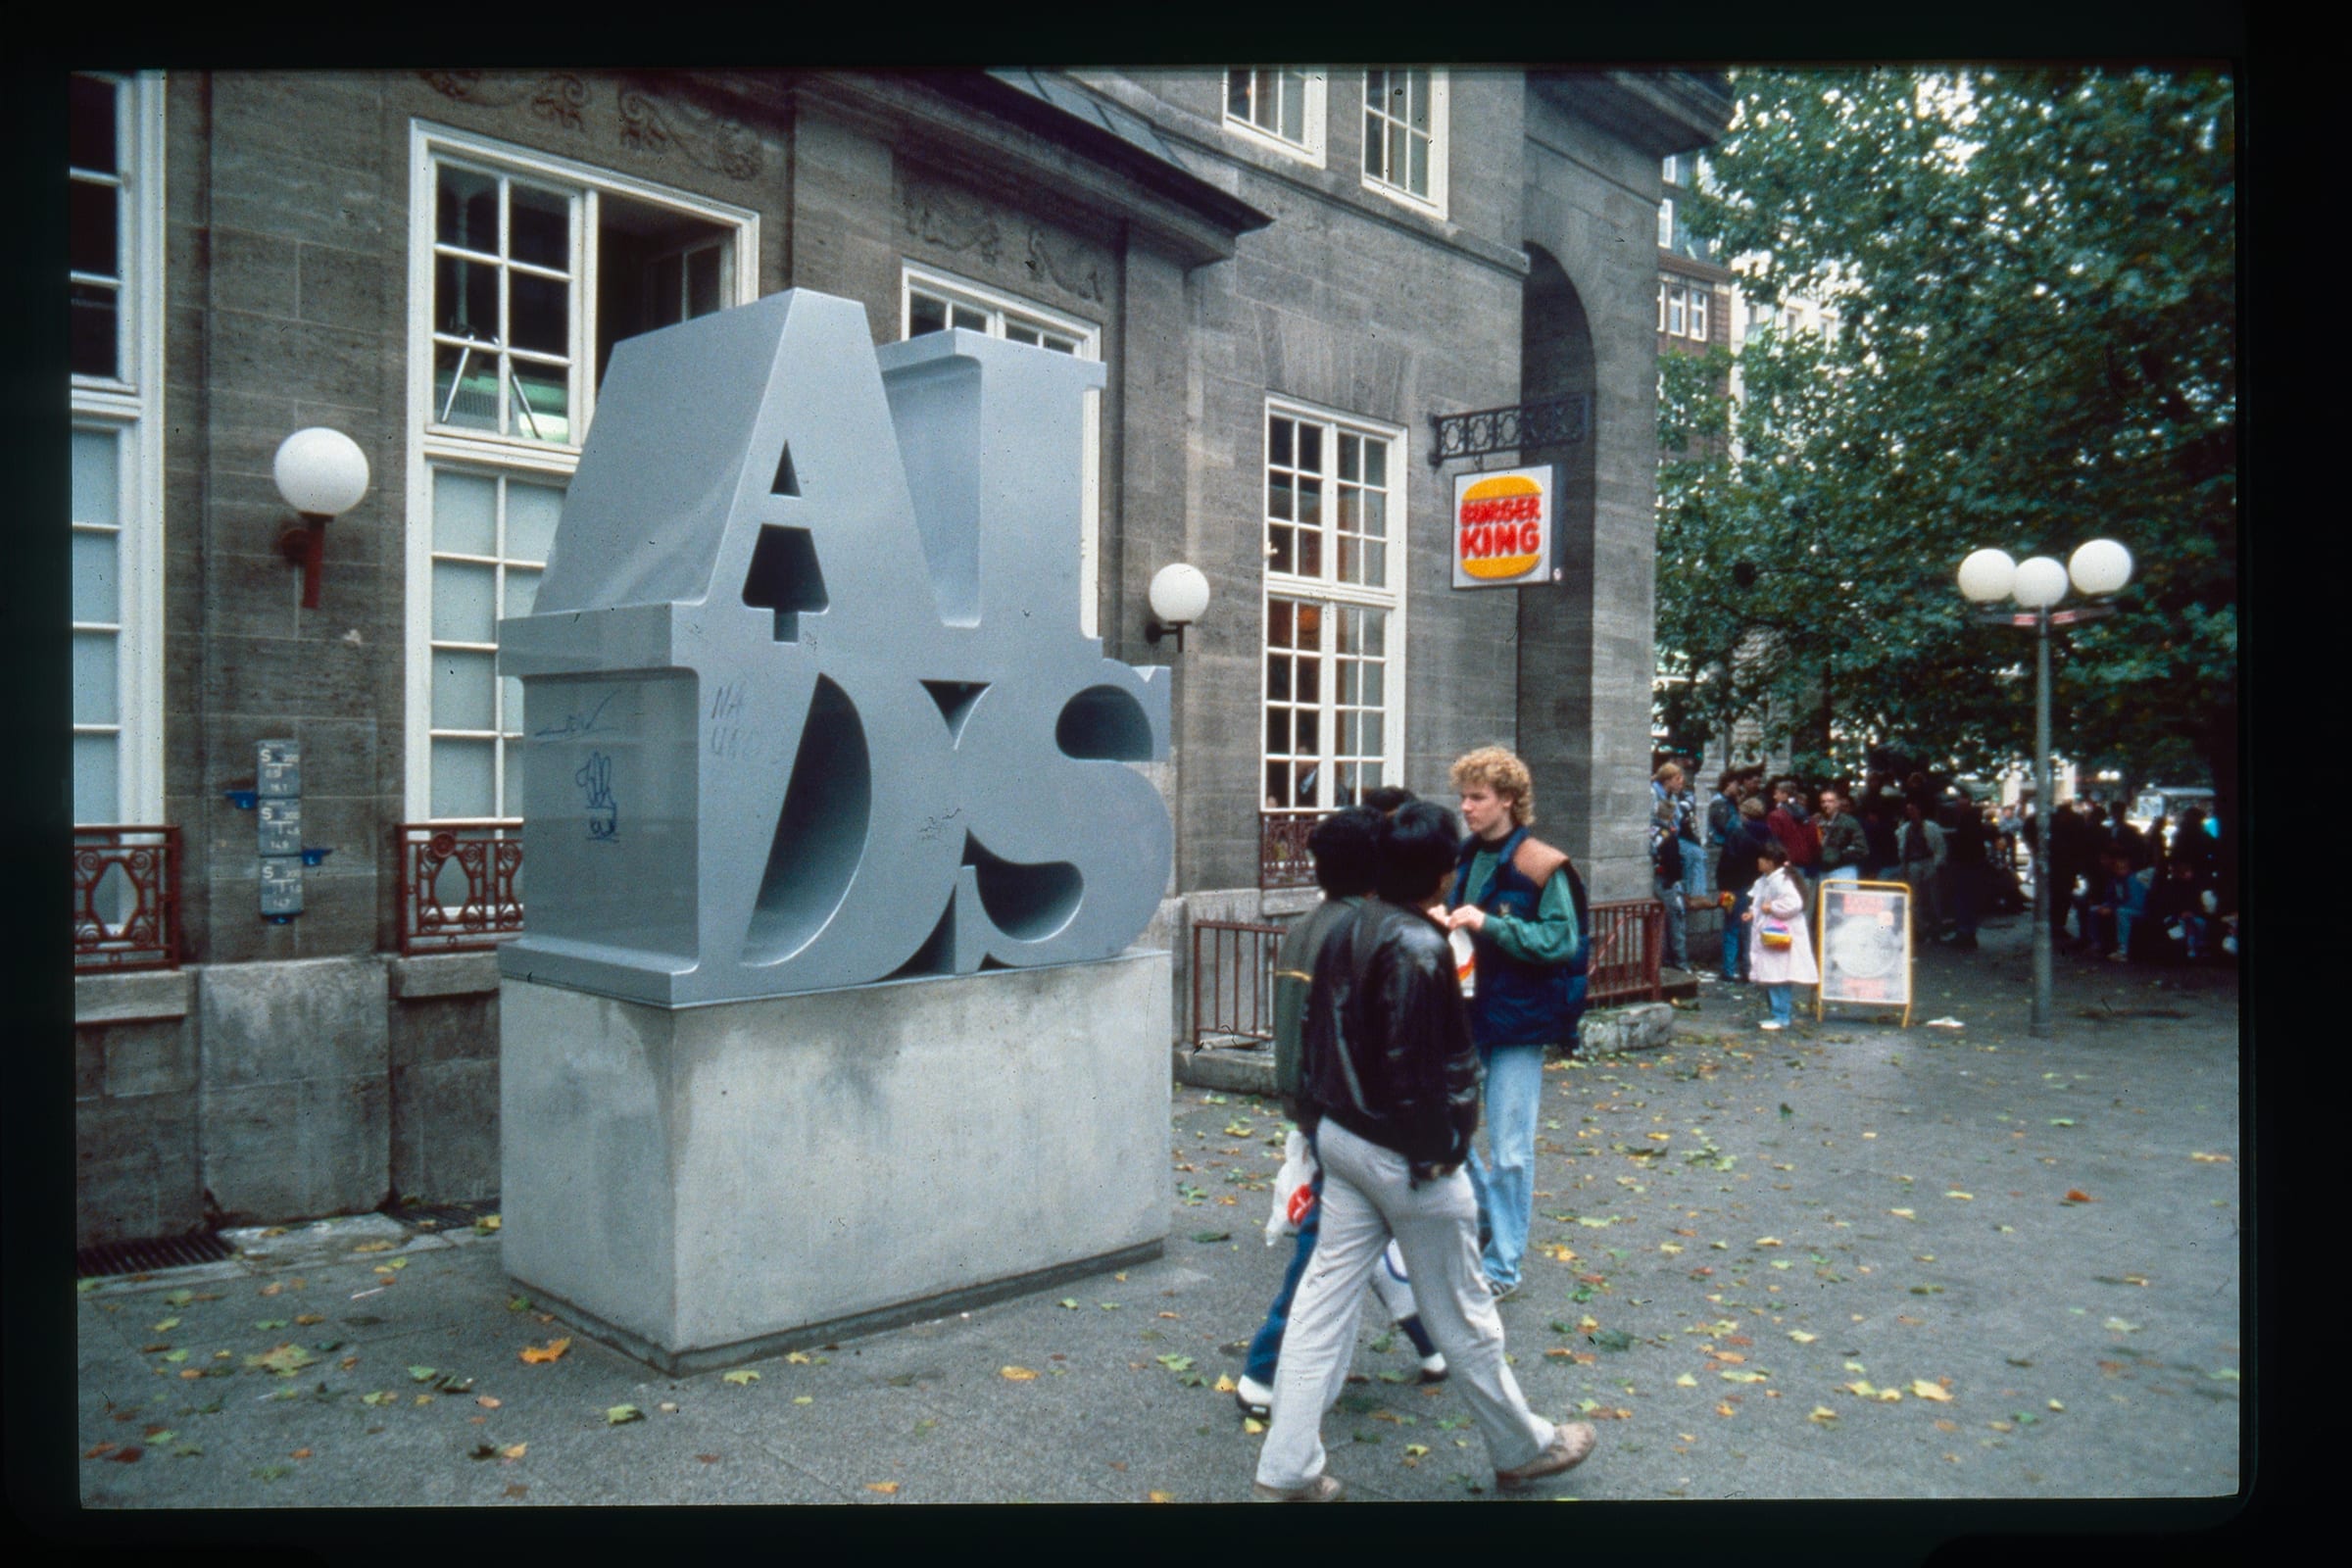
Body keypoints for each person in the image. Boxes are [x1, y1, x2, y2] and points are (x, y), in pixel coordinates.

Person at [1253, 802, 1596, 1501]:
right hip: (1403, 1152)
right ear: (1443, 872)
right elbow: (1417, 1064)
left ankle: (1286, 1467)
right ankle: (1521, 1445)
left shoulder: (1351, 926)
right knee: (1464, 1309)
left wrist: (1324, 1126)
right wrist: (1437, 1150)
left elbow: (1324, 1035)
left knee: (1323, 1305)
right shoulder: (1417, 945)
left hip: (1346, 1137)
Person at [1238, 807, 1445, 1421]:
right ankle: (1264, 1372)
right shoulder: (1366, 931)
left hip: (1316, 1107)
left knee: (1374, 1241)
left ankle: (1433, 1345)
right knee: (1329, 1252)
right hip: (1355, 1116)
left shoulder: (1311, 924)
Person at [1446, 747, 1588, 1301]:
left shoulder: (1542, 863)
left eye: (1477, 797)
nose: (1466, 807)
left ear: (1508, 799)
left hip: (1518, 1020)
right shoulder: (1465, 856)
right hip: (1469, 1010)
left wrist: (1489, 925)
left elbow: (1561, 941)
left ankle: (1503, 1266)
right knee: (1450, 1132)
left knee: (1508, 1149)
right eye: (1463, 796)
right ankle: (1487, 1236)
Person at [1742, 840, 1818, 1030]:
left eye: (1762, 858)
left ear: (1770, 862)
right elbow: (1759, 900)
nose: (1758, 861)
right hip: (1771, 935)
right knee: (1772, 975)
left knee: (1779, 976)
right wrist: (1753, 912)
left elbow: (1794, 904)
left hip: (1780, 935)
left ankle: (1781, 1016)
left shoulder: (1782, 881)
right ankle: (1777, 1014)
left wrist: (1772, 907)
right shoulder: (1766, 879)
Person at [1717, 795, 1772, 982]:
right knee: (1751, 928)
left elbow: (1727, 861)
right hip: (1757, 885)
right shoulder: (1767, 835)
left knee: (1731, 927)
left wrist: (1722, 886)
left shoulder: (1738, 834)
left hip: (1735, 885)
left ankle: (1728, 970)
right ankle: (1749, 969)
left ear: (1744, 814)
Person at [1649, 762, 1691, 972]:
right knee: (1676, 918)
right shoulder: (1667, 836)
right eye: (1677, 779)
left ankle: (1664, 960)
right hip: (1667, 879)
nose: (1681, 782)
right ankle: (1681, 963)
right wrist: (1675, 879)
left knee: (1661, 921)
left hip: (1659, 873)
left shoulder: (1656, 832)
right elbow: (1672, 861)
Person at [1898, 800, 1946, 947]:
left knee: (1933, 897)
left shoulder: (1931, 827)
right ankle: (1920, 930)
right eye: (1908, 810)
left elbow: (1940, 847)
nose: (1910, 812)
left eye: (1913, 809)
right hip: (1913, 863)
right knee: (1915, 899)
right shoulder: (1905, 828)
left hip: (1928, 861)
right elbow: (1903, 848)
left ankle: (1936, 930)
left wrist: (1937, 863)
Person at [1814, 785, 1867, 886]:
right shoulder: (1818, 822)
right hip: (1823, 871)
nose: (1826, 804)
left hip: (1844, 871)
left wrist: (1839, 855)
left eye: (1830, 801)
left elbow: (1862, 849)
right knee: (1824, 901)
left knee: (1843, 901)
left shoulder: (1849, 822)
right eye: (1823, 802)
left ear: (1838, 803)